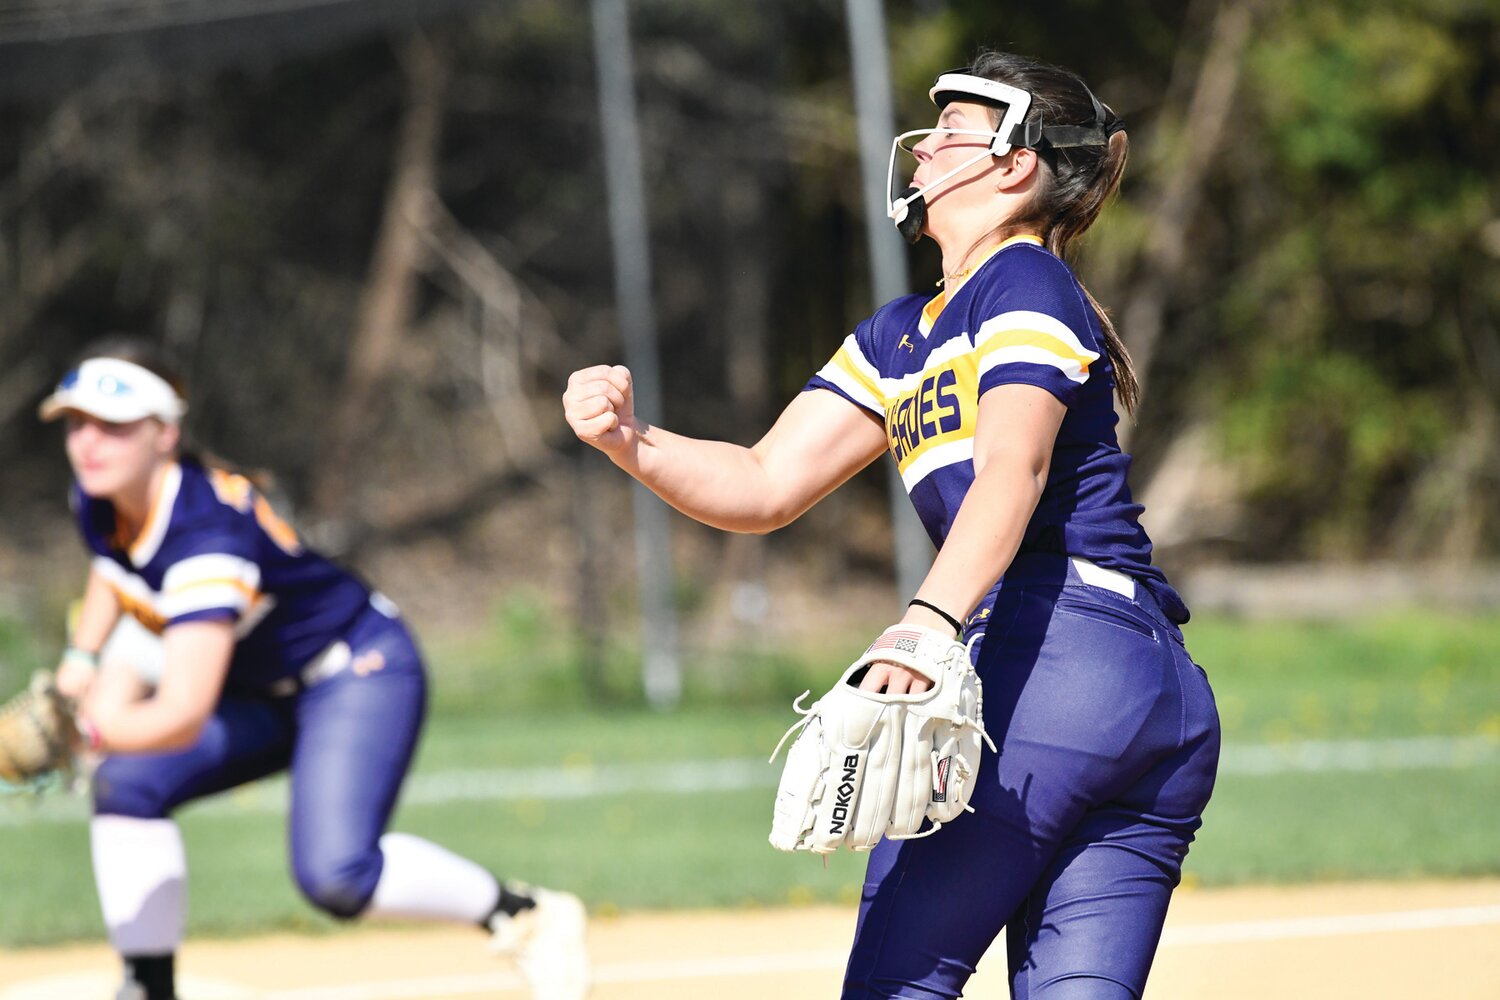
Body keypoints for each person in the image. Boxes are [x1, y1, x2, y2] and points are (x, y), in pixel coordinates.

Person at [564, 50, 1220, 999]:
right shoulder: (905, 331)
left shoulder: (1021, 282)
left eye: (949, 134)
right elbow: (762, 483)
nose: (918, 156)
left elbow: (1014, 468)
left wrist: (925, 625)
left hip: (1055, 652)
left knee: (896, 985)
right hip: (1142, 686)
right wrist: (633, 441)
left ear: (1014, 164)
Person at [42, 338, 589, 1000]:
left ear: (165, 435)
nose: (89, 443)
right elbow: (114, 569)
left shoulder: (205, 541)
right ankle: (147, 989)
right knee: (127, 786)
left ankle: (525, 914)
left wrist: (83, 737)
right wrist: (79, 664)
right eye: (77, 423)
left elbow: (183, 709)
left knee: (336, 876)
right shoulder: (100, 494)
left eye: (113, 426)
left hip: (357, 670)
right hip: (266, 691)